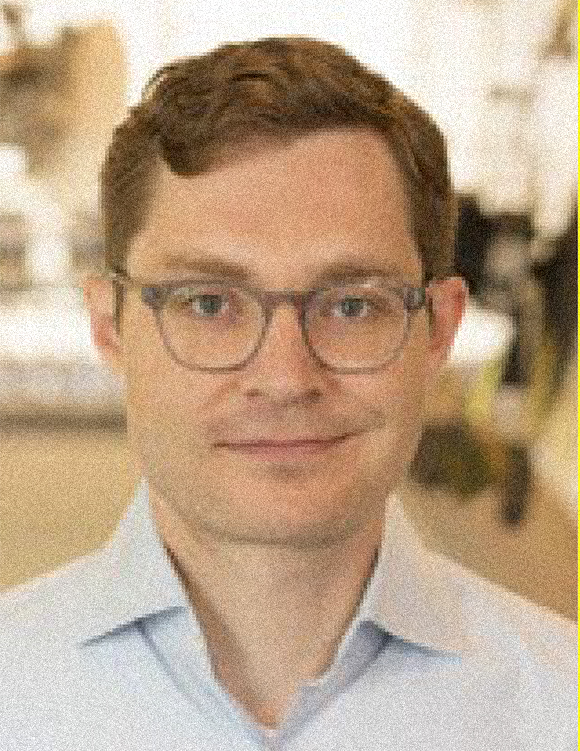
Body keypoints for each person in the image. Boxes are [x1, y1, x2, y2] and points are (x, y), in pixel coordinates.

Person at [1, 36, 576, 751]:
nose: (285, 377)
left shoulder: (559, 704)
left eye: (352, 305)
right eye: (209, 303)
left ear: (438, 330)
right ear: (109, 327)